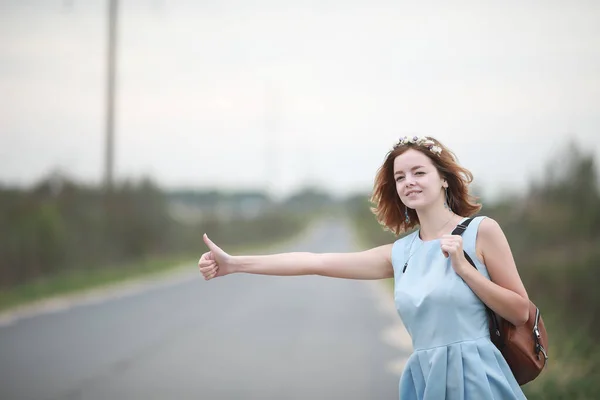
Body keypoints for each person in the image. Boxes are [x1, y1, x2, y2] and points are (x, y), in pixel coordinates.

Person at [198, 136, 529, 399]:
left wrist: (466, 270)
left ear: (443, 179)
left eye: (419, 172)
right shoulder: (401, 254)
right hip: (425, 380)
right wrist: (234, 264)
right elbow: (316, 262)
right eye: (400, 177)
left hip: (477, 379)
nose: (408, 182)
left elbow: (520, 312)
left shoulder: (481, 231)